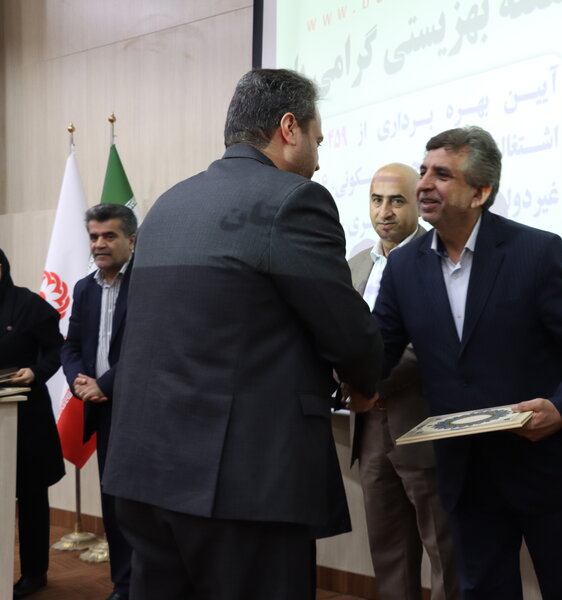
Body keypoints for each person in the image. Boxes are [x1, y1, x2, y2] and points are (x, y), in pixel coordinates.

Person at [101, 68, 383, 600]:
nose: (319, 160)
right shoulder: (294, 199)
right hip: (243, 487)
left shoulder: (166, 206)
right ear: (289, 128)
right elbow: (347, 332)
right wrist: (364, 384)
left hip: (145, 472)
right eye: (318, 140)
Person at [369, 126, 562, 599]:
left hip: (547, 468)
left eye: (442, 175)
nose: (423, 185)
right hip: (465, 476)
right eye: (423, 171)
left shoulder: (535, 251)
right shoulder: (403, 265)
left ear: (480, 192)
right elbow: (378, 353)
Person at [346, 163, 459, 600]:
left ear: (418, 203)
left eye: (396, 201)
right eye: (376, 200)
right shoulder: (355, 264)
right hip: (369, 427)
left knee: (445, 552)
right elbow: (338, 333)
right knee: (389, 550)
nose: (385, 211)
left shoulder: (439, 256)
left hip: (422, 423)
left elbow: (429, 341)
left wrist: (370, 384)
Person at [60, 203, 136, 600]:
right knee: (113, 501)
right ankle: (124, 585)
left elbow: (149, 348)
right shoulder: (84, 288)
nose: (99, 244)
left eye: (109, 236)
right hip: (102, 410)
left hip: (141, 409)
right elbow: (71, 346)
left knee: (141, 504)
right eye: (93, 237)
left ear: (131, 240)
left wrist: (105, 383)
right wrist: (79, 381)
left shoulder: (147, 283)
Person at [0, 249, 65, 599]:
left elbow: (56, 349)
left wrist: (36, 372)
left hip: (26, 416)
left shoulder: (28, 305)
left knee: (31, 496)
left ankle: (34, 573)